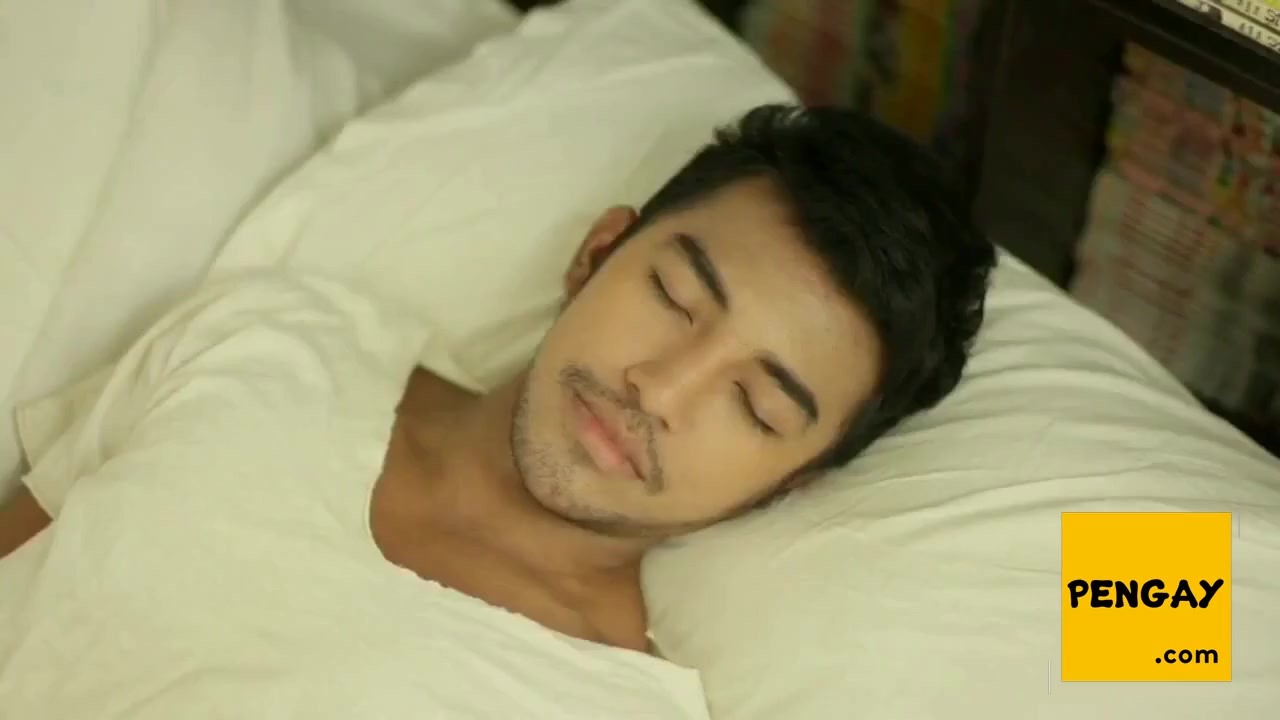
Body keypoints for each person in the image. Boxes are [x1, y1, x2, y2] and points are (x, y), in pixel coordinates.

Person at [0, 104, 993, 698]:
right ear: (597, 252)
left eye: (758, 410)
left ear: (787, 485)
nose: (659, 388)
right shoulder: (271, 339)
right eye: (673, 296)